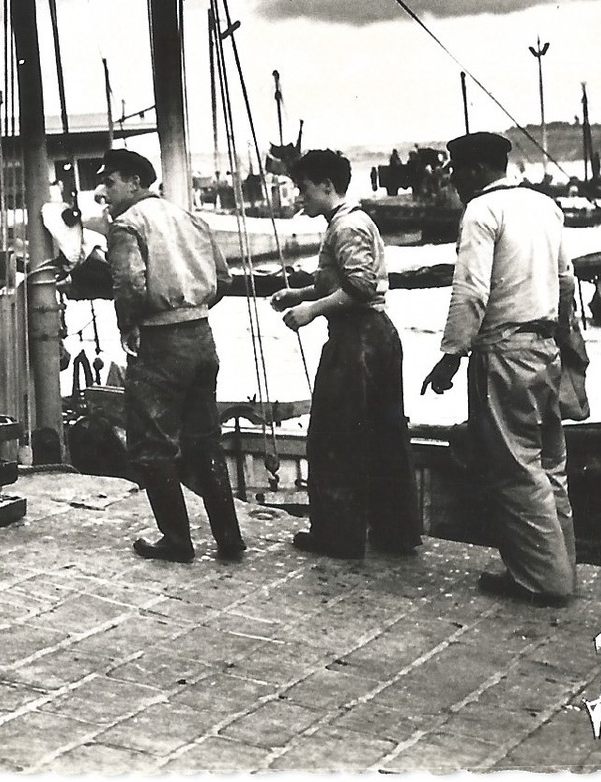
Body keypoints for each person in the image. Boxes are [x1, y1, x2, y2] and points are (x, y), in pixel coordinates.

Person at [421, 131, 578, 606]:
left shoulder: (481, 212)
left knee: (515, 467)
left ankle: (541, 582)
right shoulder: (545, 206)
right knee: (552, 465)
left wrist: (451, 356)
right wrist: (563, 342)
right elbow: (567, 281)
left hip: (506, 352)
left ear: (472, 171)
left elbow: (471, 290)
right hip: (547, 347)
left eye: (455, 172)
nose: (452, 182)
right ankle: (563, 569)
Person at [98, 148, 244, 563]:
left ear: (135, 183)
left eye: (110, 182)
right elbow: (224, 278)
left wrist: (131, 327)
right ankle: (229, 537)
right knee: (204, 441)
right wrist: (191, 311)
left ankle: (177, 539)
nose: (103, 192)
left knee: (151, 444)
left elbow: (129, 285)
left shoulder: (127, 225)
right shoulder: (189, 217)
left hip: (161, 344)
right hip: (202, 338)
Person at [272, 149, 419, 559]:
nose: (299, 197)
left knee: (335, 437)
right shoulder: (350, 222)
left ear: (326, 186)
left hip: (358, 341)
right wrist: (299, 293)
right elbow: (344, 280)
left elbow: (360, 287)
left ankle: (338, 536)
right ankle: (395, 533)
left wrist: (309, 311)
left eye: (303, 189)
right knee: (384, 435)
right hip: (375, 339)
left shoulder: (346, 227)